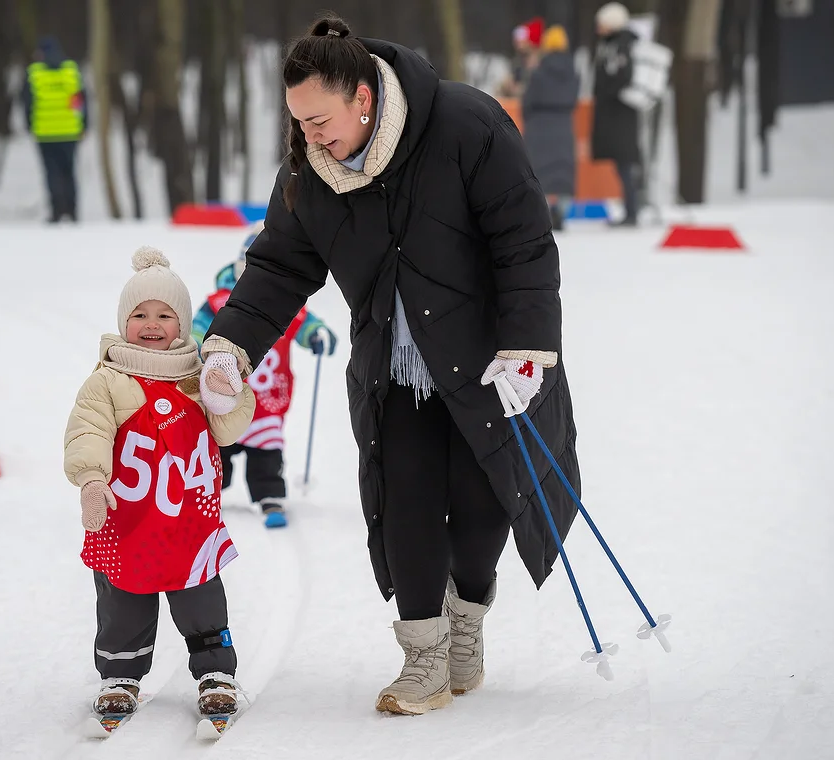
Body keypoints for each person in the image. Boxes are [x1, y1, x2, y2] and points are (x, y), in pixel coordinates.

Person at [197, 15, 581, 716]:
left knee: (481, 503)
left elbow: (524, 241)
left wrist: (528, 348)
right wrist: (230, 349)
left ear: (363, 98)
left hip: (486, 361)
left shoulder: (468, 124)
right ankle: (423, 658)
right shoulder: (313, 172)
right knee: (402, 502)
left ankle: (465, 622)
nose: (309, 135)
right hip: (393, 369)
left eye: (319, 119)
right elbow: (279, 268)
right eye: (298, 122)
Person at [63, 247, 256, 718]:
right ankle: (120, 676)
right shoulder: (108, 380)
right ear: (123, 321)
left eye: (164, 315)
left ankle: (215, 674)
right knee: (123, 601)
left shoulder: (198, 375)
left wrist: (230, 393)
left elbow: (229, 429)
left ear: (183, 322)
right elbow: (87, 430)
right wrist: (91, 481)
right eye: (139, 314)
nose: (151, 324)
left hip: (190, 523)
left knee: (202, 601)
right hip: (125, 521)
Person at [192, 221, 339, 529]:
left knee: (267, 452)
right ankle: (207, 496)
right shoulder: (221, 302)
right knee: (219, 449)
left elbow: (304, 321)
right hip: (226, 397)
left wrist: (317, 334)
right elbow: (198, 327)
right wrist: (193, 344)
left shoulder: (281, 302)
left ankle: (270, 496)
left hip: (268, 397)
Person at [22, 36, 87, 223]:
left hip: (45, 133)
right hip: (70, 131)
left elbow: (27, 103)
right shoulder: (71, 71)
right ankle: (73, 211)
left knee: (52, 173)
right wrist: (84, 123)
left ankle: (57, 211)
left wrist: (29, 124)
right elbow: (81, 100)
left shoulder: (35, 74)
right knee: (70, 172)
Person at [522, 25, 580, 231]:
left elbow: (528, 101)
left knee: (540, 170)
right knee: (563, 170)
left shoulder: (539, 71)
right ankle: (562, 212)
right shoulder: (573, 72)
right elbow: (574, 99)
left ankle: (545, 214)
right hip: (564, 124)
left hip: (539, 125)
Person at [591, 3, 642, 227]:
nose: (598, 28)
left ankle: (632, 212)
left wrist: (604, 91)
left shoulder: (621, 46)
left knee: (625, 163)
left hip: (620, 117)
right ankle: (631, 209)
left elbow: (621, 77)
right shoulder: (612, 44)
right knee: (623, 164)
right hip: (618, 116)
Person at [497, 17, 543, 98]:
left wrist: (520, 90)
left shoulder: (543, 64)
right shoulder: (517, 64)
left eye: (521, 41)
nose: (517, 45)